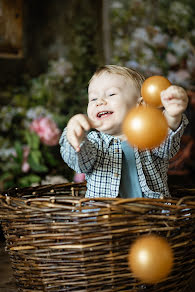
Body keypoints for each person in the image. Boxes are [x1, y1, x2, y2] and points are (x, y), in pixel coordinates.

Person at [59, 65, 188, 199]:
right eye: (93, 99)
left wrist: (172, 116)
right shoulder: (94, 142)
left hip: (151, 214)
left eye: (111, 94)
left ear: (140, 105)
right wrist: (76, 137)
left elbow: (167, 147)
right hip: (105, 216)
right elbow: (81, 163)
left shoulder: (149, 135)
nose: (100, 102)